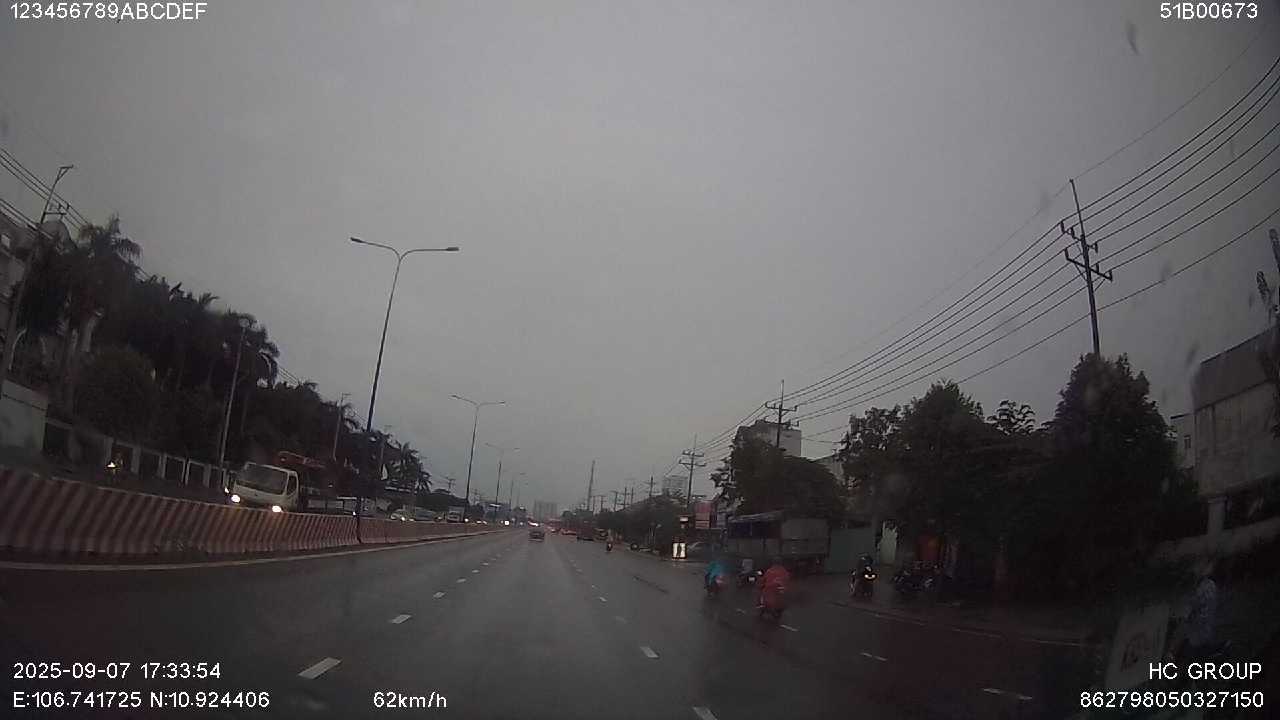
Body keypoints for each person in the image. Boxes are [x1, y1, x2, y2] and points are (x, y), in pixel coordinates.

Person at [1178, 561, 1224, 662]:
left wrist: (1171, 649)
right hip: (1202, 637)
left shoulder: (1198, 588)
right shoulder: (1210, 585)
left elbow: (1182, 622)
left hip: (1192, 641)